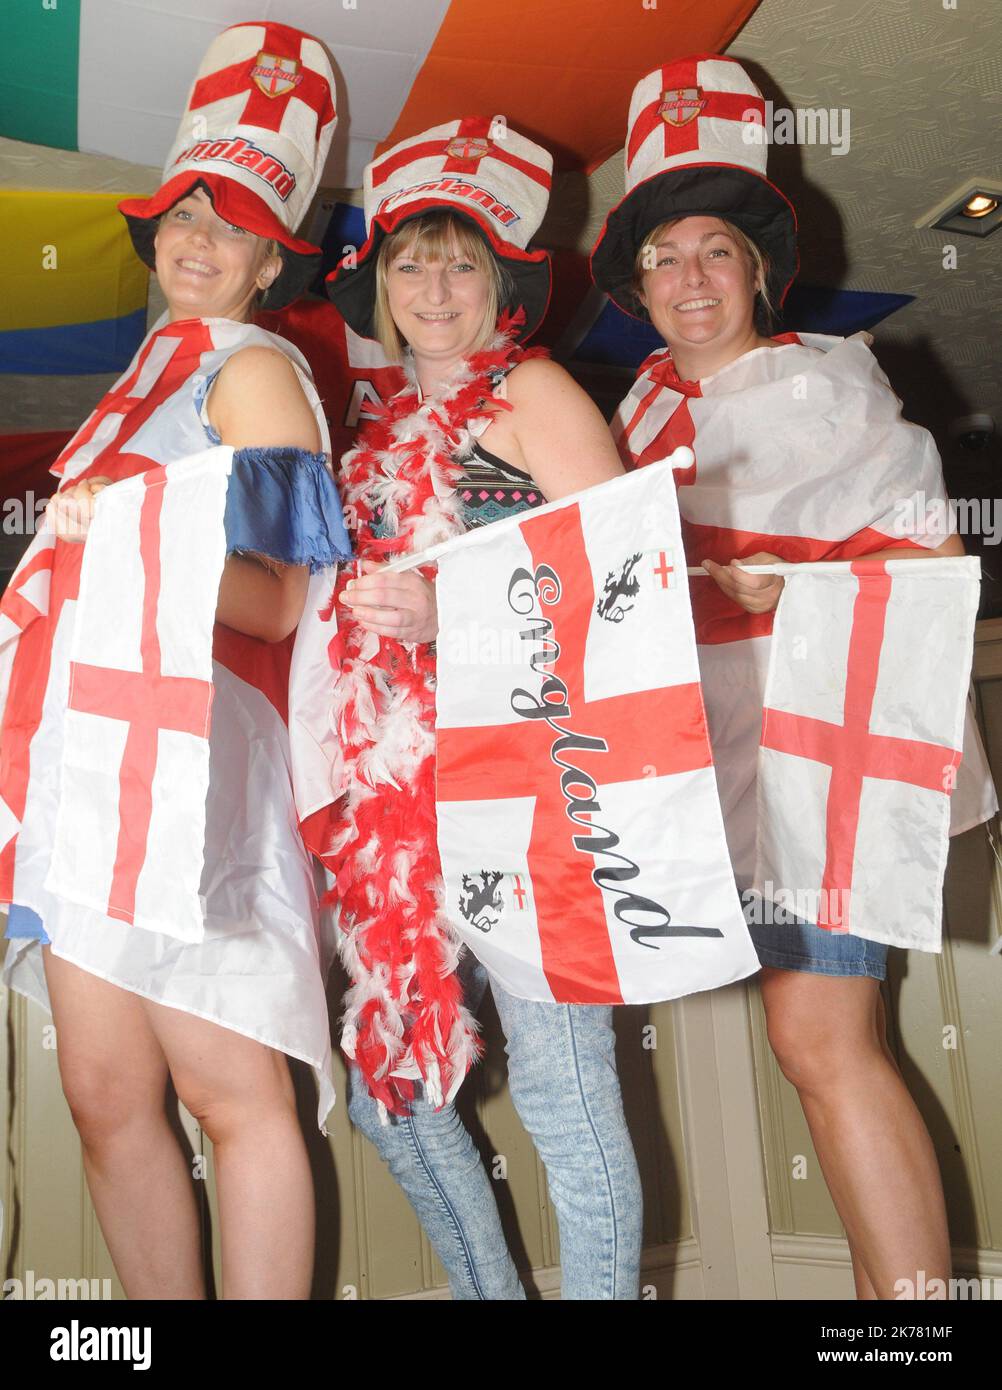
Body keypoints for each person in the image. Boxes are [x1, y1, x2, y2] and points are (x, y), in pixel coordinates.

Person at [591, 55, 998, 1300]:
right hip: (719, 784)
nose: (689, 278)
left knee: (825, 1039)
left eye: (715, 250)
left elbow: (932, 560)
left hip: (822, 760)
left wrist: (798, 586)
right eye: (662, 257)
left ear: (762, 272)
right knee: (809, 1044)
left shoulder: (832, 389)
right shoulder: (634, 420)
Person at [0, 23, 349, 1298]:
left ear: (270, 257)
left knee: (228, 1085)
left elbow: (284, 605)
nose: (200, 238)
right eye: (184, 213)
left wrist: (129, 543)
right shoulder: (143, 378)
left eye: (236, 223)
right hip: (85, 757)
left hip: (192, 756)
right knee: (103, 1095)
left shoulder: (255, 370)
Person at [325, 119, 643, 1299]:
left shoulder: (537, 390)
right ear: (381, 281)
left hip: (533, 783)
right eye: (413, 259)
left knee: (563, 1089)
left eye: (463, 261)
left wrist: (456, 618)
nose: (435, 287)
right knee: (386, 1095)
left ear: (503, 278)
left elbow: (626, 583)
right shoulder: (359, 434)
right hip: (397, 808)